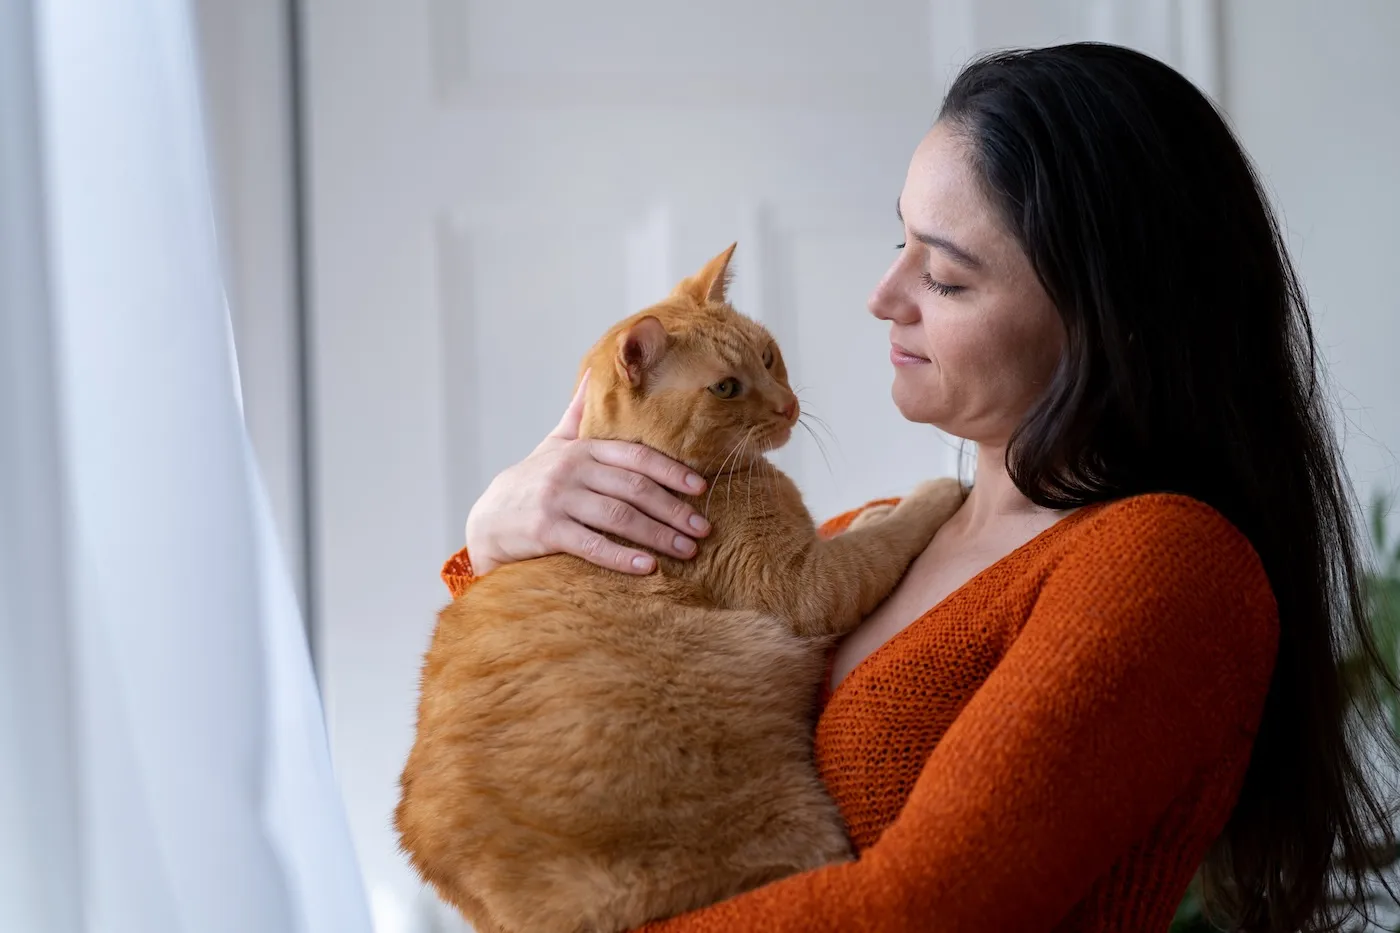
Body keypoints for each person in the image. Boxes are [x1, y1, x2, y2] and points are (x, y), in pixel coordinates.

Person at [443, 44, 1396, 932]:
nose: (883, 294)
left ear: (1106, 315)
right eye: (899, 241)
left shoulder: (1162, 568)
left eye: (944, 275)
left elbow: (921, 912)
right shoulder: (870, 534)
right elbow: (556, 745)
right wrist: (492, 548)